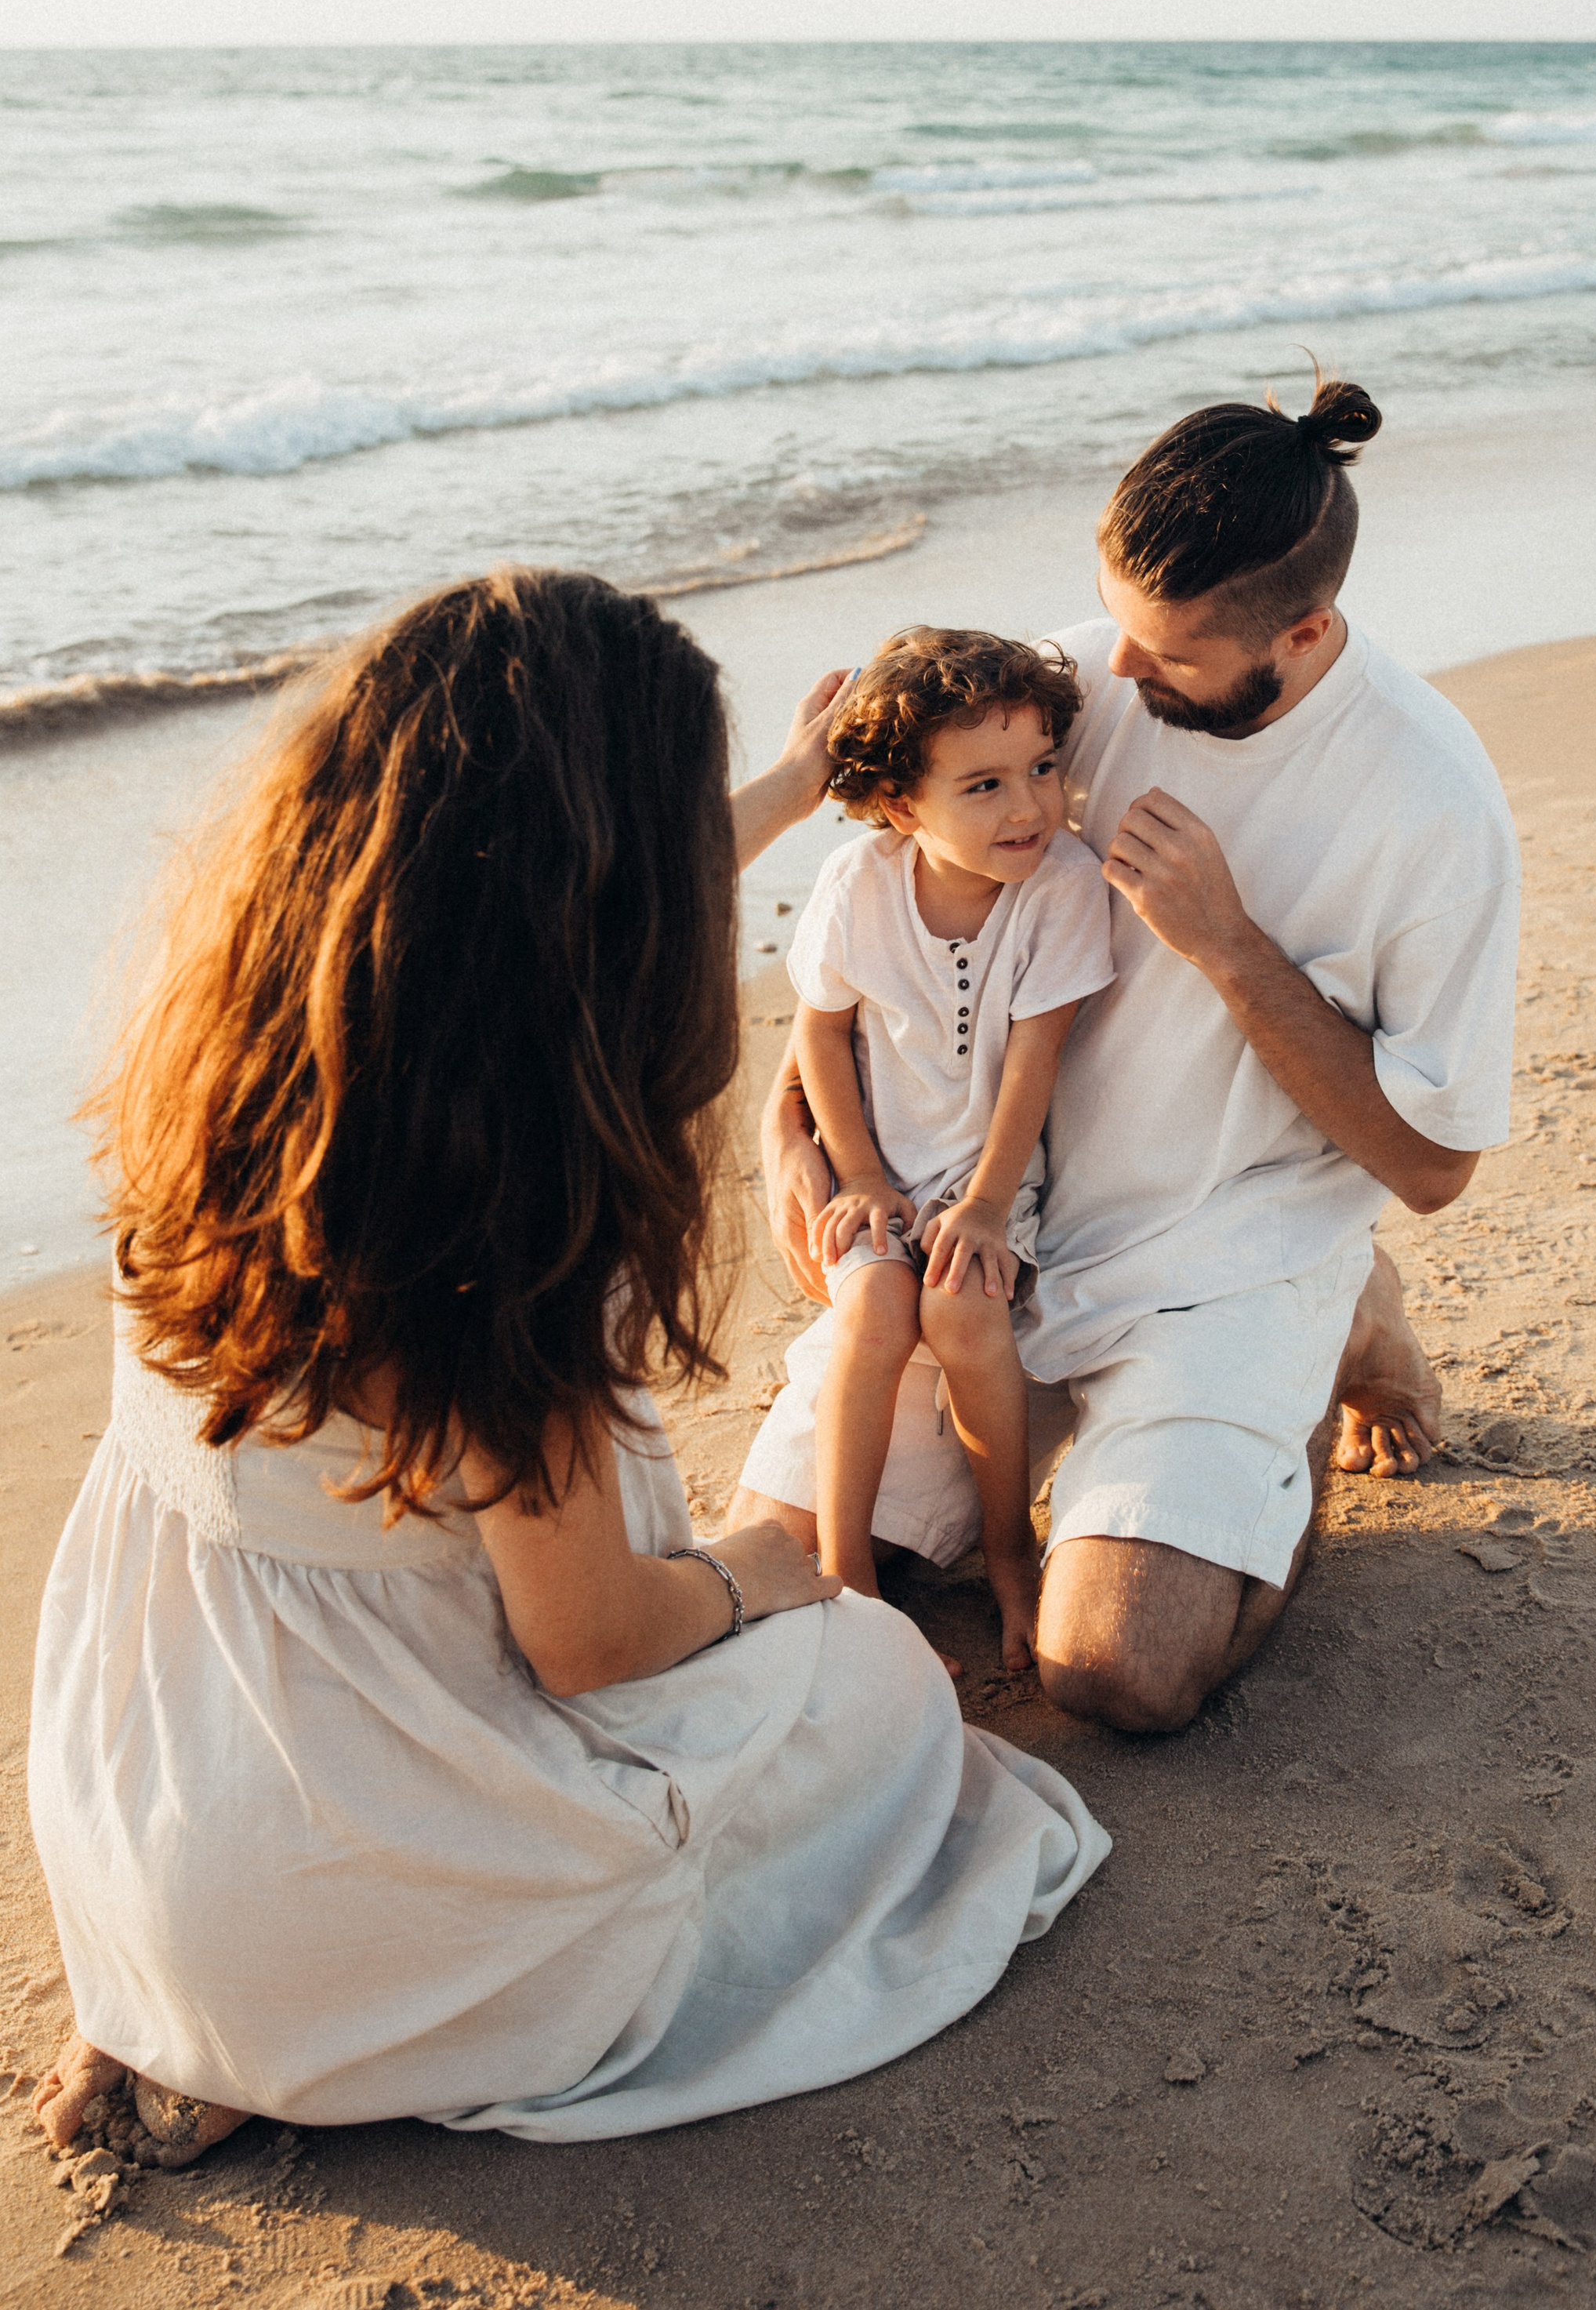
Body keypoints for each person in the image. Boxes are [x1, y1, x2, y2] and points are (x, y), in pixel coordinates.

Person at [31, 570, 1108, 2169]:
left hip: (158, 1832)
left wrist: (800, 781)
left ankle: (219, 2019)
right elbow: (593, 1640)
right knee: (882, 1691)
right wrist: (768, 1572)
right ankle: (329, 2031)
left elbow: (546, 897)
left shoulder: (212, 1075)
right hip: (380, 1889)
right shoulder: (498, 1212)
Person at [736, 378, 1521, 1734]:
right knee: (777, 1570)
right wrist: (791, 1135)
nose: (1118, 677)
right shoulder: (1069, 685)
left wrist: (1228, 944)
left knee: (1115, 1670)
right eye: (1117, 627)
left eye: (1167, 658)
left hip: (1226, 1251)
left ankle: (1331, 1325)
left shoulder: (1430, 803)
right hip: (985, 1234)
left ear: (1307, 628)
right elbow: (869, 925)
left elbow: (1436, 1162)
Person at [785, 627, 1115, 1672]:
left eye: (1043, 769)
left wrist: (981, 1201)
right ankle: (847, 1571)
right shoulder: (856, 882)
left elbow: (1035, 1062)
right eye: (983, 785)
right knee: (876, 1305)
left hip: (992, 1173)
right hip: (876, 1164)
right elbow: (820, 1033)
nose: (1029, 807)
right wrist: (864, 1175)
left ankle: (1010, 1552)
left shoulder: (1061, 884)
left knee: (964, 1310)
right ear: (898, 806)